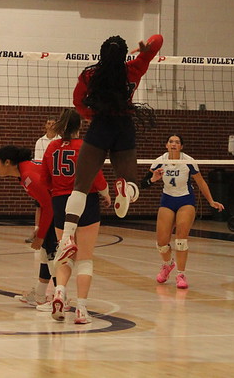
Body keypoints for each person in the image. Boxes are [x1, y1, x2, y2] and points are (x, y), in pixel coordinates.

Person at [56, 34, 163, 265]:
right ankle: (127, 189)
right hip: (124, 127)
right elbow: (159, 39)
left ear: (101, 54)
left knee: (80, 187)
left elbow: (78, 102)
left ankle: (66, 238)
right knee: (132, 182)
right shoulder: (134, 68)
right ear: (124, 54)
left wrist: (89, 115)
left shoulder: (89, 74)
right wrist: (145, 49)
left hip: (100, 127)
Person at [42, 108, 111, 324]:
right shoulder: (85, 147)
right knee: (85, 259)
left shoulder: (51, 147)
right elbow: (96, 176)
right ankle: (81, 309)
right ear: (79, 126)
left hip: (61, 203)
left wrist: (58, 191)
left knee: (65, 253)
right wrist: (106, 194)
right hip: (86, 200)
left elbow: (45, 177)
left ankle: (60, 292)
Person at [141, 134, 224, 289]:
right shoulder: (160, 161)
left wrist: (211, 201)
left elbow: (201, 182)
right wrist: (153, 179)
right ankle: (167, 265)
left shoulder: (188, 161)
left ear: (181, 147)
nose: (174, 144)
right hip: (167, 200)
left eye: (177, 142)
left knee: (181, 239)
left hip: (185, 200)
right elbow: (143, 183)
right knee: (161, 243)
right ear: (166, 145)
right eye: (171, 142)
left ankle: (181, 274)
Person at [0, 145, 55, 307]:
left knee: (52, 255)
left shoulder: (28, 176)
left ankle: (60, 298)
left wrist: (41, 236)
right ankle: (41, 294)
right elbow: (43, 203)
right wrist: (39, 229)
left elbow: (49, 206)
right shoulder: (23, 174)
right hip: (56, 207)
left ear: (7, 162)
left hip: (62, 208)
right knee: (45, 254)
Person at [28, 118, 59, 243]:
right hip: (43, 176)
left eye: (53, 123)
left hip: (56, 177)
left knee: (56, 205)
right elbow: (37, 160)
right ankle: (36, 231)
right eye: (49, 123)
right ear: (45, 126)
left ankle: (56, 233)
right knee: (39, 205)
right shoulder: (40, 141)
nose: (51, 125)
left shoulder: (60, 140)